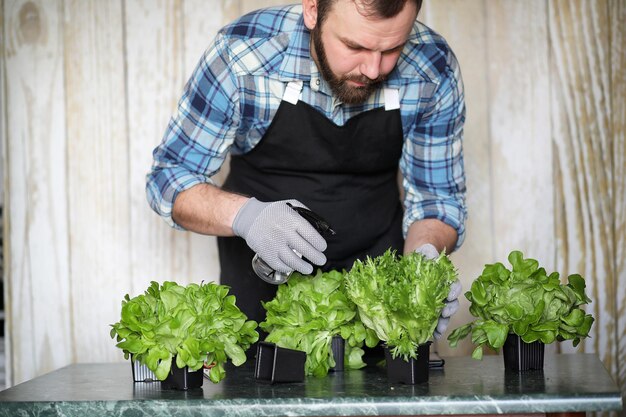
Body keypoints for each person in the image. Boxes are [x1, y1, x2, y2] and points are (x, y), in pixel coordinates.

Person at [146, 0, 466, 341]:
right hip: (262, 283)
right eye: (355, 46)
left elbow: (437, 197)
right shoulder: (244, 54)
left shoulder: (432, 67)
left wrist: (424, 261)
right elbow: (169, 177)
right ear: (313, 10)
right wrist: (247, 216)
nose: (373, 70)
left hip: (377, 298)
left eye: (392, 49)